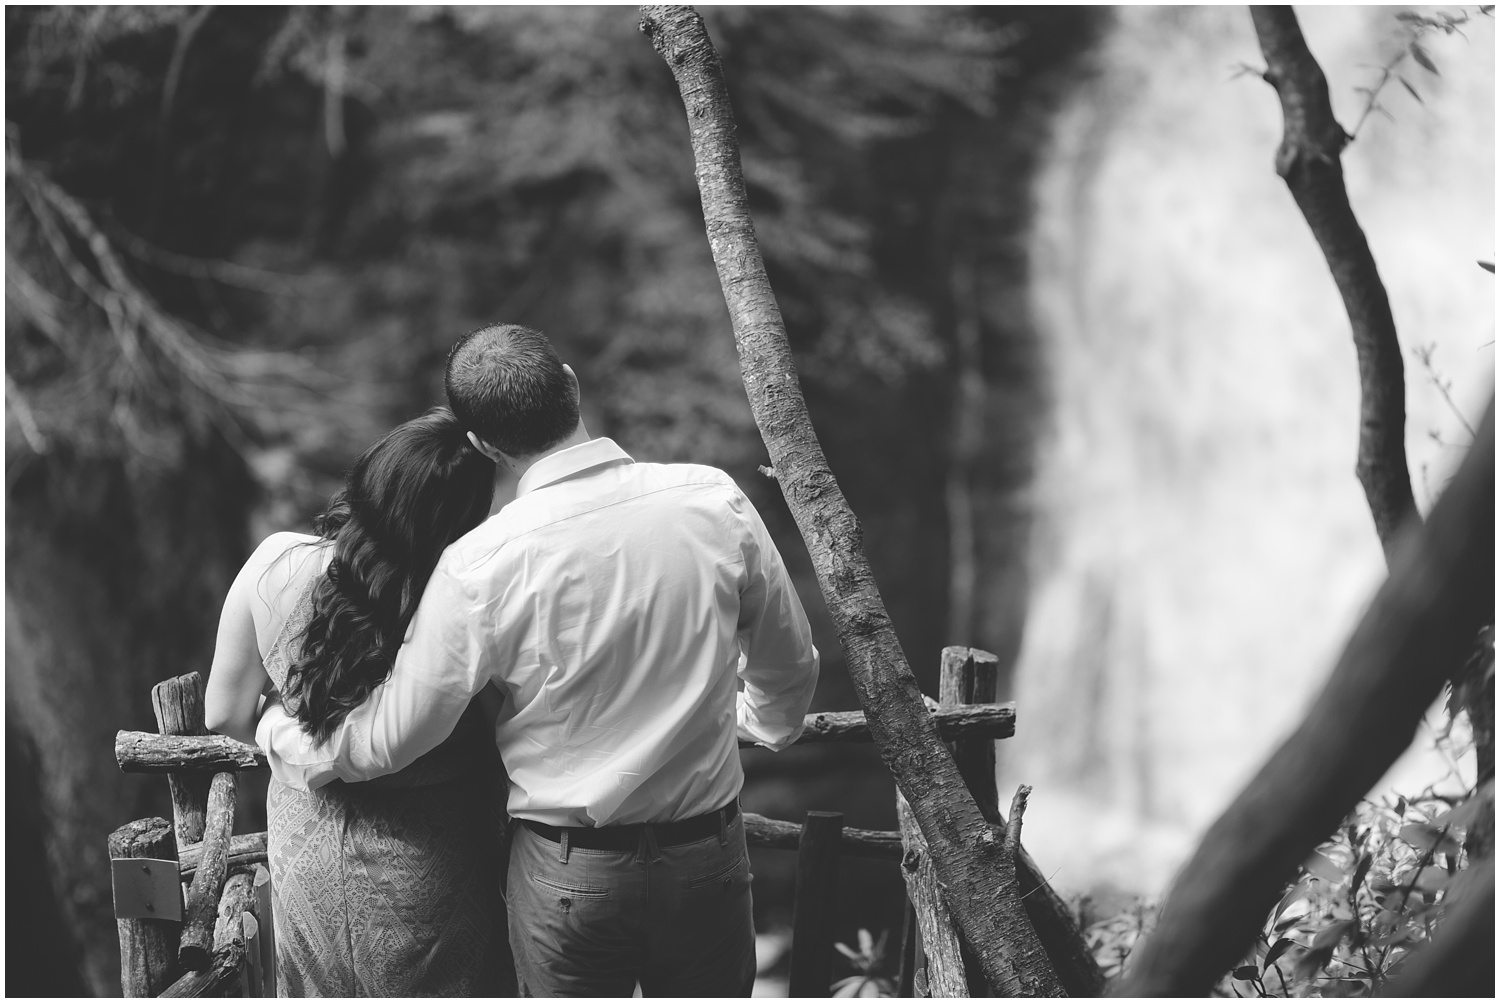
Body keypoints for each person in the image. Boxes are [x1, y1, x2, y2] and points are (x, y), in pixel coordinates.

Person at [257, 323, 821, 997]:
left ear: (484, 445)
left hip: (567, 878)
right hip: (706, 858)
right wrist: (755, 720)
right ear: (572, 386)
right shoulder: (712, 498)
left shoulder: (478, 566)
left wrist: (274, 732)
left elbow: (389, 739)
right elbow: (789, 668)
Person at [203, 407, 511, 997]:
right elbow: (504, 727)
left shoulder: (276, 564)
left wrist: (278, 721)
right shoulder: (455, 602)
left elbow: (222, 714)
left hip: (308, 849)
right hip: (436, 858)